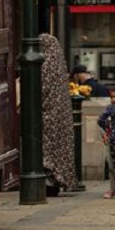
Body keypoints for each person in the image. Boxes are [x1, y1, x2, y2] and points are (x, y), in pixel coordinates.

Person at [39, 33, 76, 194]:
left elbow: (42, 88)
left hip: (48, 115)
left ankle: (49, 178)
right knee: (60, 148)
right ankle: (59, 179)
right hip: (62, 116)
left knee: (47, 149)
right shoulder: (60, 63)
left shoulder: (45, 64)